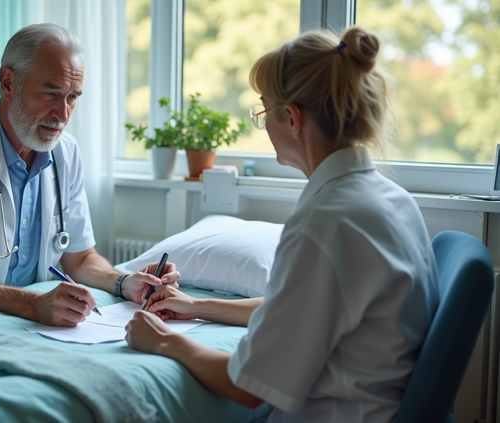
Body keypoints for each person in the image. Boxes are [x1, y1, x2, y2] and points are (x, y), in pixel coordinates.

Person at [125, 26, 439, 423]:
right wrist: (197, 306)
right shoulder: (392, 200)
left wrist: (165, 342)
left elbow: (248, 386)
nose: (264, 124)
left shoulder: (325, 224)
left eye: (263, 111)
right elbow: (298, 309)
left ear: (291, 118)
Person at [0, 23, 178, 327]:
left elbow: (80, 258)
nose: (63, 115)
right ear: (9, 83)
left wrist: (125, 282)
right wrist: (32, 304)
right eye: (51, 93)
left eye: (72, 97)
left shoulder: (67, 153)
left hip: (7, 323)